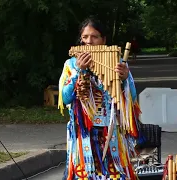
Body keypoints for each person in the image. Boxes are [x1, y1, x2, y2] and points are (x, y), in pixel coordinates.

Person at [58, 17, 142, 180]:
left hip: (111, 132)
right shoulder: (70, 64)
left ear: (103, 40)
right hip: (83, 134)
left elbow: (132, 98)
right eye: (85, 37)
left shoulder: (117, 63)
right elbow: (65, 98)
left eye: (94, 36)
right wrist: (79, 72)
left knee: (115, 175)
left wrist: (125, 79)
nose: (89, 41)